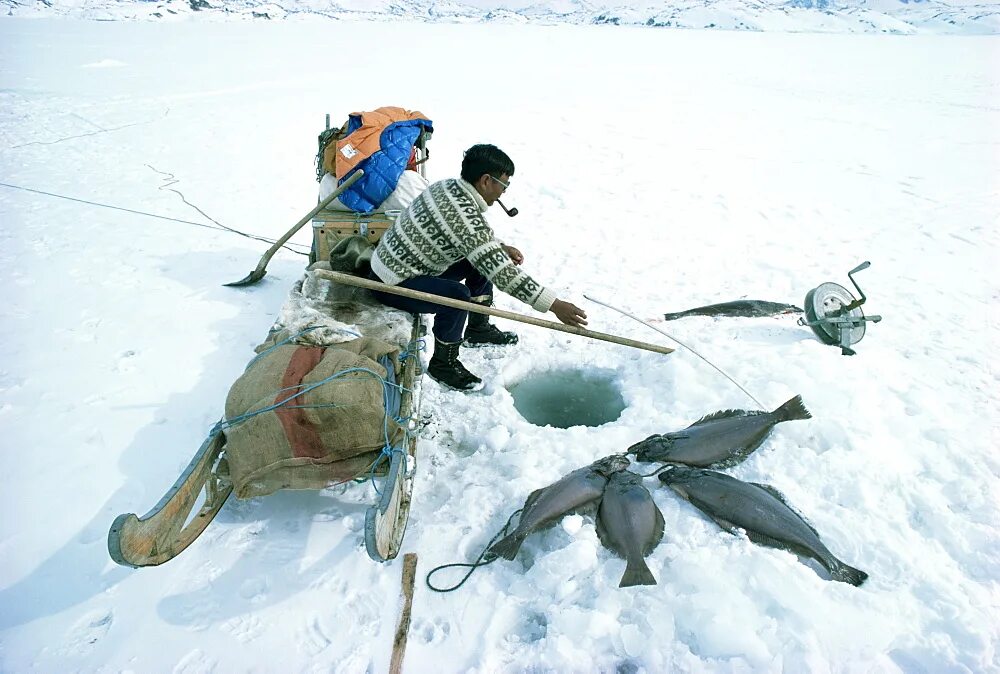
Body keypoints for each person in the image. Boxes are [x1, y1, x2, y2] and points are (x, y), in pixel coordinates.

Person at [369, 144, 588, 391]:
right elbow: (502, 272)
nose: (503, 193)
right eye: (504, 185)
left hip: (402, 265)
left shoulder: (449, 188)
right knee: (457, 298)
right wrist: (554, 305)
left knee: (479, 265)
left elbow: (471, 237)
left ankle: (477, 329)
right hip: (391, 282)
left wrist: (499, 246)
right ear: (486, 180)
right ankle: (443, 364)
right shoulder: (461, 213)